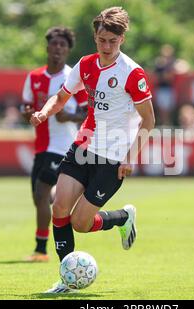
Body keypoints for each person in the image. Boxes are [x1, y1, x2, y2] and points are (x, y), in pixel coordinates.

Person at [30, 7, 155, 293]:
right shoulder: (85, 65)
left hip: (113, 157)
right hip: (84, 146)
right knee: (59, 206)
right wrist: (43, 113)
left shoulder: (131, 72)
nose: (107, 46)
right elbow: (61, 97)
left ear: (122, 39)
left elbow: (149, 120)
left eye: (112, 40)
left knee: (81, 223)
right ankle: (66, 279)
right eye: (102, 40)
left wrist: (130, 158)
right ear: (95, 37)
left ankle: (122, 217)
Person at [21, 27, 88, 262]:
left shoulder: (73, 78)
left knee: (40, 193)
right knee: (38, 197)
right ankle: (63, 198)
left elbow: (88, 112)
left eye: (63, 45)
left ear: (68, 50)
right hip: (41, 146)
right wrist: (27, 113)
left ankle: (41, 250)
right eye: (55, 44)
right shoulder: (34, 77)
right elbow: (25, 108)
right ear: (47, 47)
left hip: (62, 146)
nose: (58, 48)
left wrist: (68, 116)